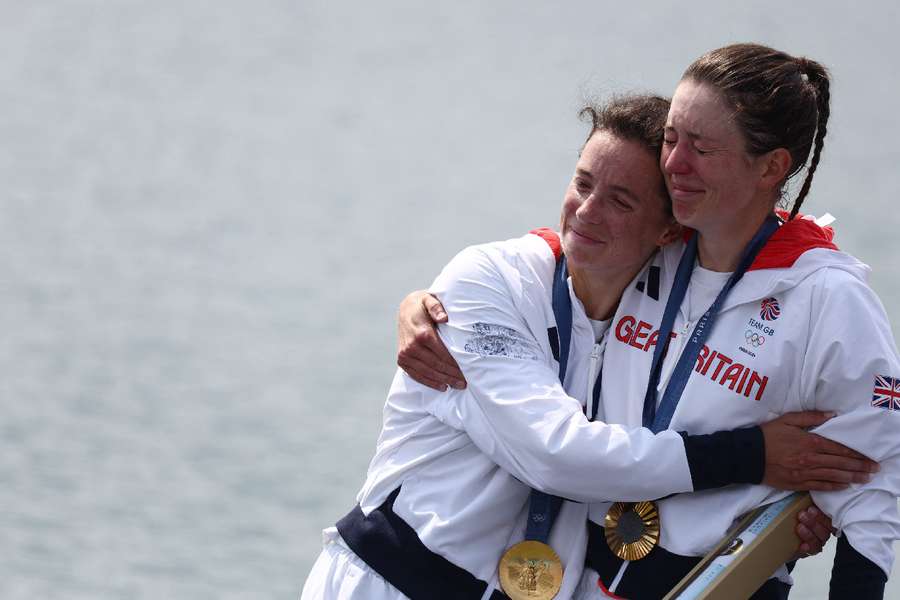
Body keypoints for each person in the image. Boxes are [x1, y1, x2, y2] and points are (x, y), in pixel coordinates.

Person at [301, 93, 867, 600]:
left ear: (668, 232)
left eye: (621, 201)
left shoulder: (656, 318)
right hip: (385, 584)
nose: (586, 211)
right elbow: (556, 454)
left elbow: (684, 432)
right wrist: (753, 456)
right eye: (582, 182)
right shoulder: (486, 281)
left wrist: (788, 506)